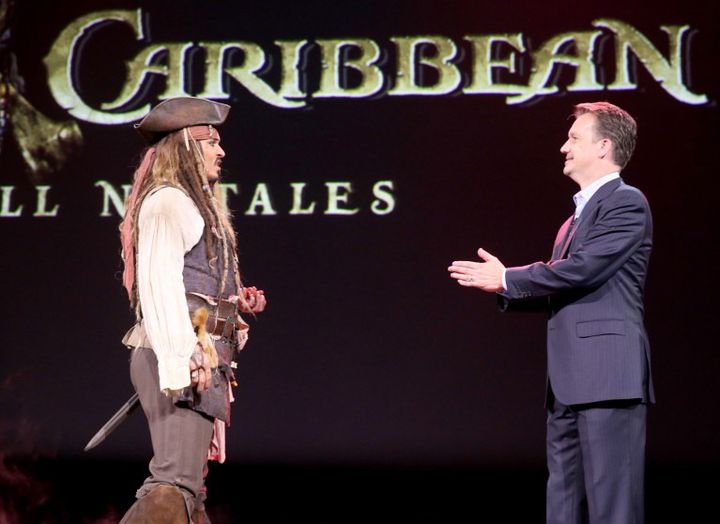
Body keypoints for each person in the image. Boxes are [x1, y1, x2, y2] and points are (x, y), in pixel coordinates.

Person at [448, 102, 653, 523]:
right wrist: (504, 287)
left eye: (574, 138)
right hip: (567, 383)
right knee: (562, 501)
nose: (563, 147)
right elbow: (566, 284)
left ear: (604, 146)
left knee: (612, 506)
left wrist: (508, 278)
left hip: (607, 378)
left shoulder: (626, 203)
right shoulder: (571, 220)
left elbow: (583, 269)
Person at [118, 97, 266, 523]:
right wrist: (184, 355)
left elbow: (194, 288)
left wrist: (233, 309)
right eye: (211, 142)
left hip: (204, 357)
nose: (221, 151)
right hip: (184, 355)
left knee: (189, 492)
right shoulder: (167, 202)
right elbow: (159, 286)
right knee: (174, 484)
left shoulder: (195, 205)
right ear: (186, 145)